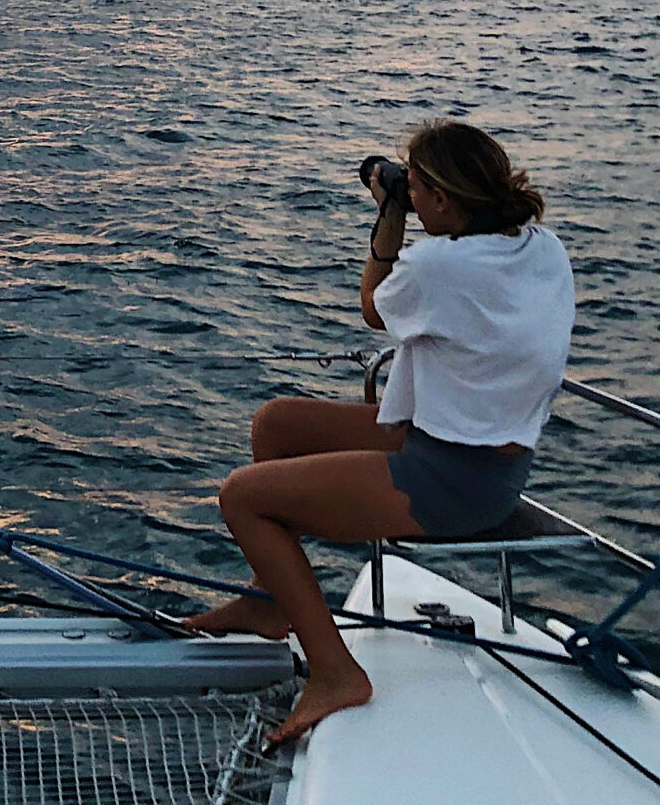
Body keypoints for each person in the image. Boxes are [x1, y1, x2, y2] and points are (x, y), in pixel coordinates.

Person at [183, 120, 575, 746]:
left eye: (416, 188)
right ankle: (269, 601)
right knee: (276, 425)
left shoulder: (437, 265)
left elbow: (373, 306)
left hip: (450, 482)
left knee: (243, 497)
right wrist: (404, 198)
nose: (409, 197)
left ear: (443, 201)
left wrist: (387, 217)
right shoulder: (540, 245)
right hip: (474, 453)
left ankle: (337, 672)